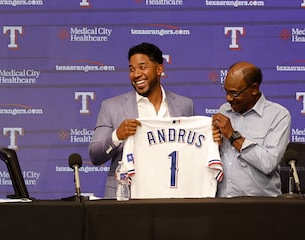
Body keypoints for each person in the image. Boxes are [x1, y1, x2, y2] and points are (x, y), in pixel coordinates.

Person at [89, 43, 194, 198]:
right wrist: (117, 136)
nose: (136, 74)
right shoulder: (112, 107)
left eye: (142, 67)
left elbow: (191, 152)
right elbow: (95, 155)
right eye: (131, 69)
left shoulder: (184, 105)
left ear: (159, 69)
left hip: (172, 197)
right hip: (127, 199)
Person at [212, 62, 291, 197]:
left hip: (260, 207)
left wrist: (232, 135)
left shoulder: (279, 115)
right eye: (226, 91)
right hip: (222, 203)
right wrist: (214, 144)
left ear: (254, 89)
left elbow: (268, 163)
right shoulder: (224, 110)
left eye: (234, 93)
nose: (228, 98)